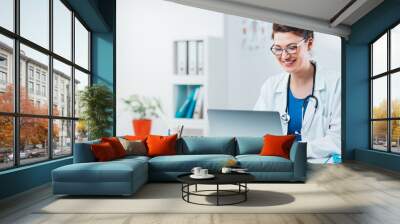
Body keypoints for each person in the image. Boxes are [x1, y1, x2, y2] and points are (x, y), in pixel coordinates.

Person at [254, 24, 341, 163]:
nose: (284, 56)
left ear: (310, 43)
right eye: (278, 49)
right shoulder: (270, 86)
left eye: (292, 47)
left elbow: (338, 139)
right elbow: (256, 131)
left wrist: (293, 150)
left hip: (320, 169)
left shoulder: (336, 83)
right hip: (279, 168)